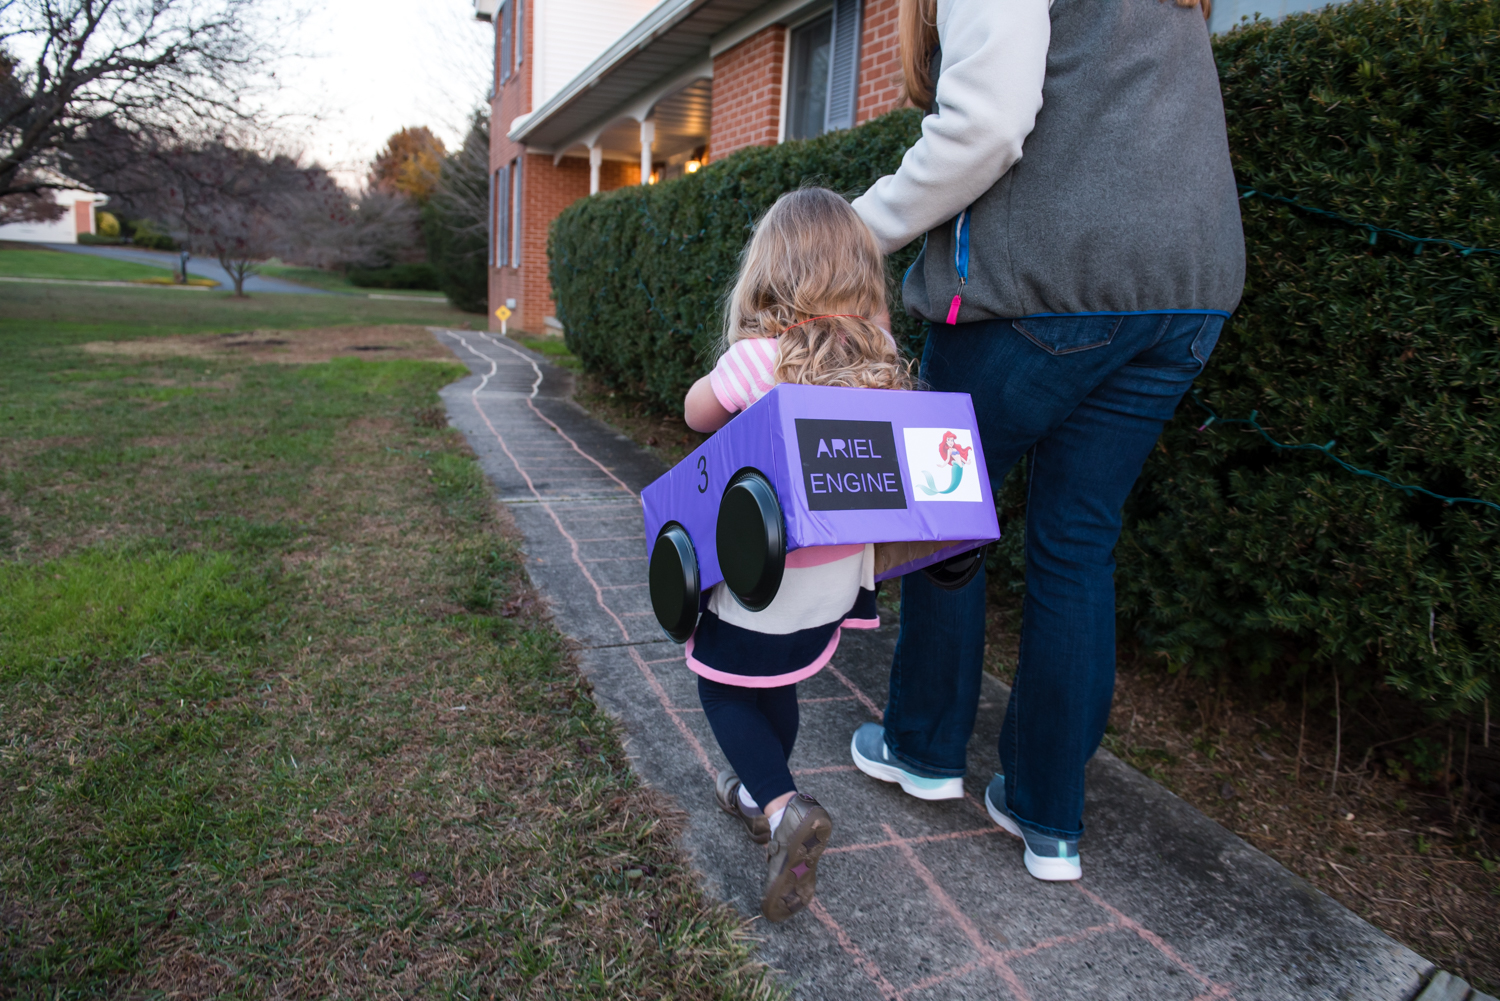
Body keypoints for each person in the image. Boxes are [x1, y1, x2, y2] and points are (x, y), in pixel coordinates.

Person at [846, 0, 1245, 881]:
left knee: (941, 517)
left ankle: (922, 748)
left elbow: (987, 124)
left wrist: (849, 232)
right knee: (1077, 544)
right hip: (1189, 290)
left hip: (1041, 287)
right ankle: (1048, 813)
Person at [682, 186, 911, 922]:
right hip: (835, 586)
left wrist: (729, 379)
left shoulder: (758, 360)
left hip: (763, 582)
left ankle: (782, 805)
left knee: (721, 684)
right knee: (775, 680)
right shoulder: (884, 364)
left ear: (771, 273)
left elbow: (695, 414)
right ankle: (757, 792)